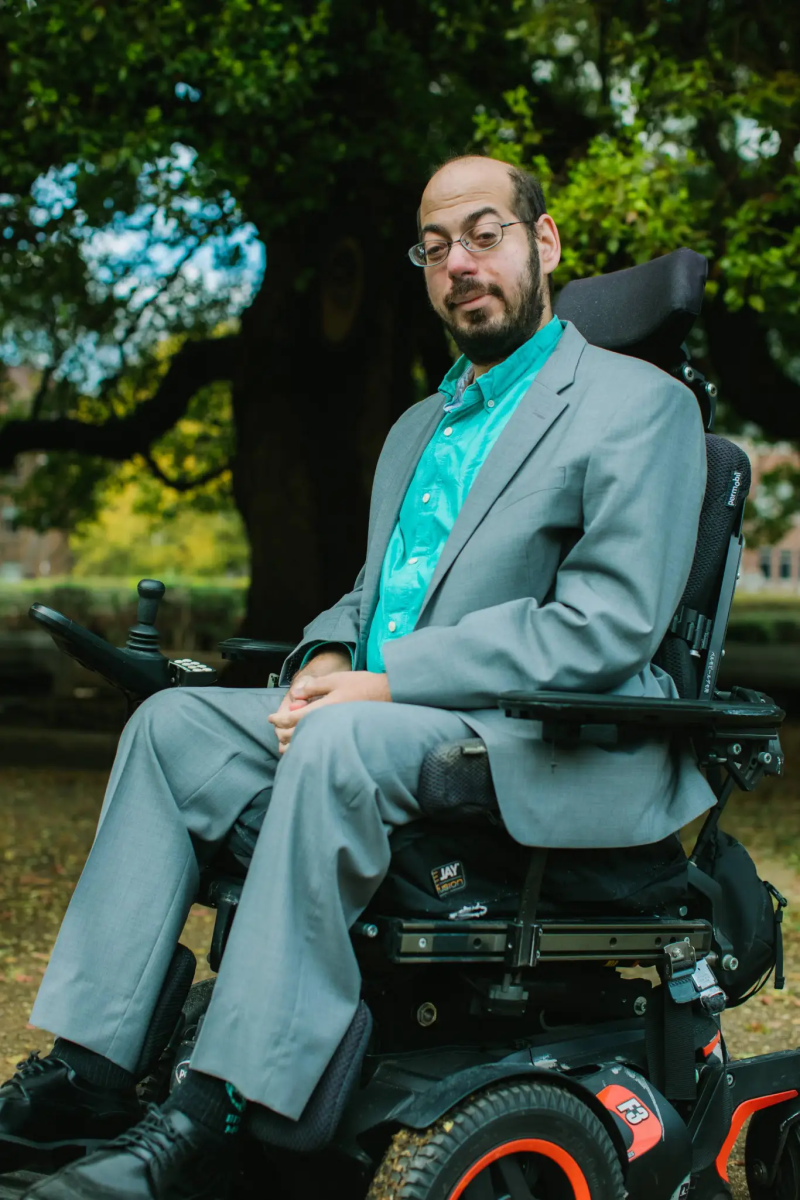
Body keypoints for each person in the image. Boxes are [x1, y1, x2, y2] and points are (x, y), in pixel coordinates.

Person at [0, 155, 715, 1199]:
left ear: (544, 243)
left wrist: (382, 686)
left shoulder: (633, 407)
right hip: (401, 719)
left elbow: (603, 626)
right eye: (435, 249)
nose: (459, 264)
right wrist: (332, 655)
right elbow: (372, 596)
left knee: (335, 739)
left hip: (555, 739)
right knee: (173, 724)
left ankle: (211, 1113)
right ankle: (95, 1074)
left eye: (483, 235)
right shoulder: (417, 430)